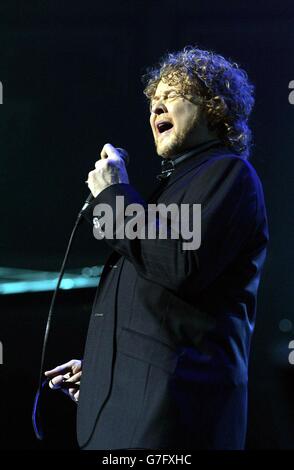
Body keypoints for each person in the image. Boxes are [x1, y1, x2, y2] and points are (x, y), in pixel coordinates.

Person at [45, 46, 269, 450]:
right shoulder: (169, 190)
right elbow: (158, 304)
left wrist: (114, 194)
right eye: (152, 101)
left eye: (171, 95)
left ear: (215, 107)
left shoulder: (229, 173)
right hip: (131, 413)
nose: (156, 108)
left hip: (175, 422)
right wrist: (106, 369)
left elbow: (180, 262)